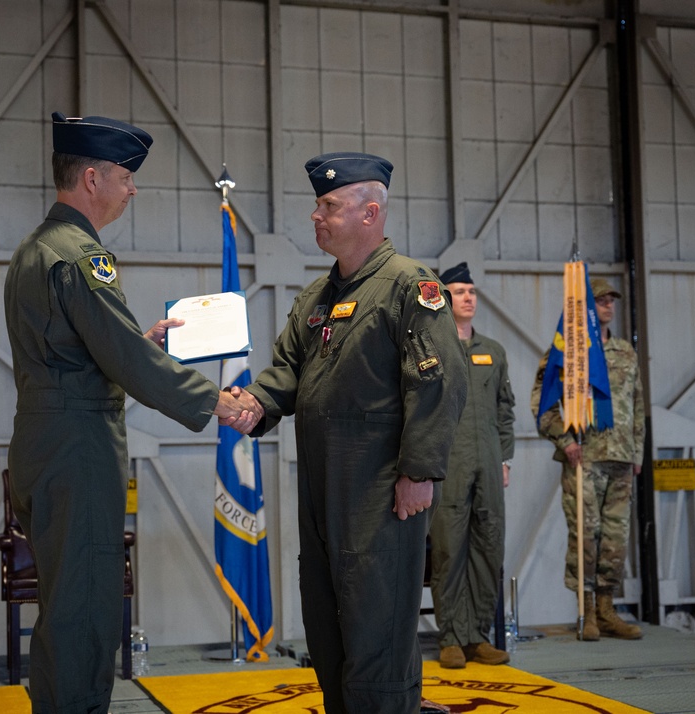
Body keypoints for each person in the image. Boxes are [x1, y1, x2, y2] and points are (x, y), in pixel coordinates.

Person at [3, 112, 257, 714]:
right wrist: (217, 401)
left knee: (64, 603)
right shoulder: (82, 257)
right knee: (85, 610)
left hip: (44, 442)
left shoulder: (34, 251)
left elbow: (73, 352)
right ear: (91, 179)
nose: (133, 188)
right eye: (125, 175)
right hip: (80, 450)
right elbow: (124, 364)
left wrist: (134, 344)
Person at [233, 152, 468, 713]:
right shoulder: (315, 299)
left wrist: (418, 471)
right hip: (321, 488)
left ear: (370, 213)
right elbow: (288, 369)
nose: (316, 215)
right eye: (317, 204)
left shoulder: (410, 287)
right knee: (327, 624)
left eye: (329, 205)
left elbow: (437, 384)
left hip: (380, 490)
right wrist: (253, 405)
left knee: (375, 627)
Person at [530, 276, 645, 641]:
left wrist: (637, 451)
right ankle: (588, 610)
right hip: (586, 457)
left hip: (621, 457)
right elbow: (543, 401)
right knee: (586, 535)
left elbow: (637, 405)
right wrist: (565, 441)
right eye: (601, 300)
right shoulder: (569, 352)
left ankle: (608, 608)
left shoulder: (626, 351)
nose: (609, 305)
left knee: (616, 537)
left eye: (612, 300)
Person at [427, 262, 515, 669]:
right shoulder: (432, 349)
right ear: (443, 297)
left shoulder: (493, 352)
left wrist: (505, 457)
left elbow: (505, 409)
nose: (468, 297)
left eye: (472, 291)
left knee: (488, 546)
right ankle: (450, 638)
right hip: (448, 464)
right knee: (448, 550)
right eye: (459, 291)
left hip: (489, 461)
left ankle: (477, 635)